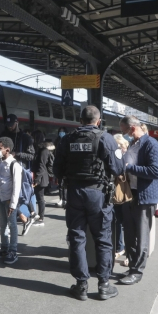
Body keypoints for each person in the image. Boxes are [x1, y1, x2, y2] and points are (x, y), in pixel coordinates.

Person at [54, 106, 124, 301]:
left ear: (80, 120)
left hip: (74, 192)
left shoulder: (67, 139)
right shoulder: (106, 138)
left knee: (77, 238)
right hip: (98, 194)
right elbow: (117, 168)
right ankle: (104, 285)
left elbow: (57, 169)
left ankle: (81, 285)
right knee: (102, 238)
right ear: (98, 120)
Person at [119, 115, 158, 285]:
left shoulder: (151, 144)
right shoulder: (133, 144)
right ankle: (132, 265)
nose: (124, 134)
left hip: (144, 196)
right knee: (129, 234)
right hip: (130, 194)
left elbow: (155, 171)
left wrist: (130, 168)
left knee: (142, 235)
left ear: (132, 128)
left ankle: (137, 271)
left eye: (124, 131)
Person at [0, 137, 22, 264]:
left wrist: (13, 205)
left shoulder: (14, 165)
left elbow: (16, 186)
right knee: (2, 224)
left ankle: (13, 250)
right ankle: (4, 248)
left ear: (7, 150)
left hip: (9, 201)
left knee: (12, 225)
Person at [0, 114, 36, 225]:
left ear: (17, 122)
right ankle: (25, 216)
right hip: (5, 171)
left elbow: (32, 156)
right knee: (8, 197)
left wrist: (17, 154)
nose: (10, 127)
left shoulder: (25, 138)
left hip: (19, 171)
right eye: (8, 125)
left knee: (18, 196)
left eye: (12, 125)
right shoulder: (4, 135)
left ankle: (24, 216)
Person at [30, 130, 54, 233]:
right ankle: (37, 215)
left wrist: (37, 179)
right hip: (41, 176)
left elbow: (41, 165)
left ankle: (40, 218)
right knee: (38, 197)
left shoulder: (43, 151)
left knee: (40, 198)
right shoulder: (42, 150)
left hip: (41, 177)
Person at [112, 134, 130, 261]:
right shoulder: (116, 155)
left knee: (123, 222)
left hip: (125, 194)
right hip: (118, 194)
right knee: (117, 221)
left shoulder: (127, 156)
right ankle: (119, 246)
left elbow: (122, 175)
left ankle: (122, 248)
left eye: (119, 145)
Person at [54, 127, 69, 208]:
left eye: (63, 132)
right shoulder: (57, 141)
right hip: (59, 163)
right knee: (60, 184)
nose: (61, 133)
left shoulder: (67, 140)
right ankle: (61, 199)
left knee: (65, 184)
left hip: (65, 165)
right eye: (60, 131)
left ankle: (65, 199)